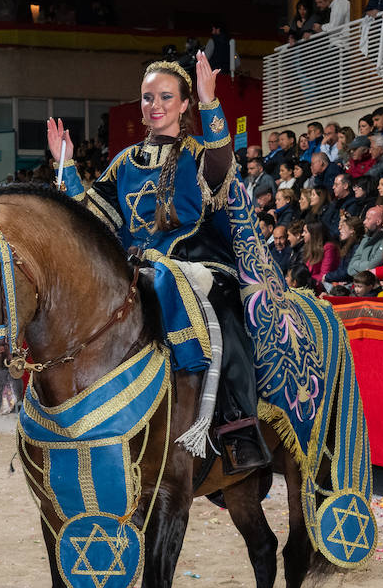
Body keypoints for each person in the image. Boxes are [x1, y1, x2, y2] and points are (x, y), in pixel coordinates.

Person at [49, 51, 270, 471]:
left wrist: (211, 102)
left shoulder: (198, 152)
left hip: (199, 265)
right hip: (138, 268)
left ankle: (238, 425)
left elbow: (222, 165)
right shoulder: (124, 162)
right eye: (148, 97)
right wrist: (66, 164)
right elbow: (90, 217)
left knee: (225, 316)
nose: (155, 105)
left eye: (166, 97)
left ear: (184, 104)